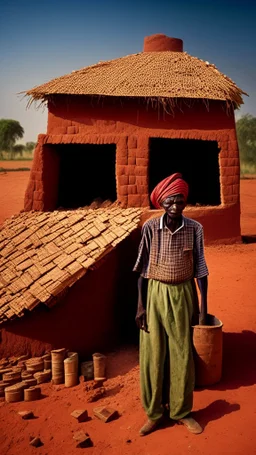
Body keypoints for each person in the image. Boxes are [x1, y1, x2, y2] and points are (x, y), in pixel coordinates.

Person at [133, 172, 208, 436]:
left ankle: (181, 411)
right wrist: (141, 307)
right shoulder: (150, 228)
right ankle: (154, 413)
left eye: (179, 200)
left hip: (183, 294)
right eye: (169, 201)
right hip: (155, 293)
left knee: (182, 354)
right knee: (154, 354)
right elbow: (142, 269)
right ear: (161, 203)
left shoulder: (195, 229)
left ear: (185, 201)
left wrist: (202, 308)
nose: (175, 205)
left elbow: (201, 270)